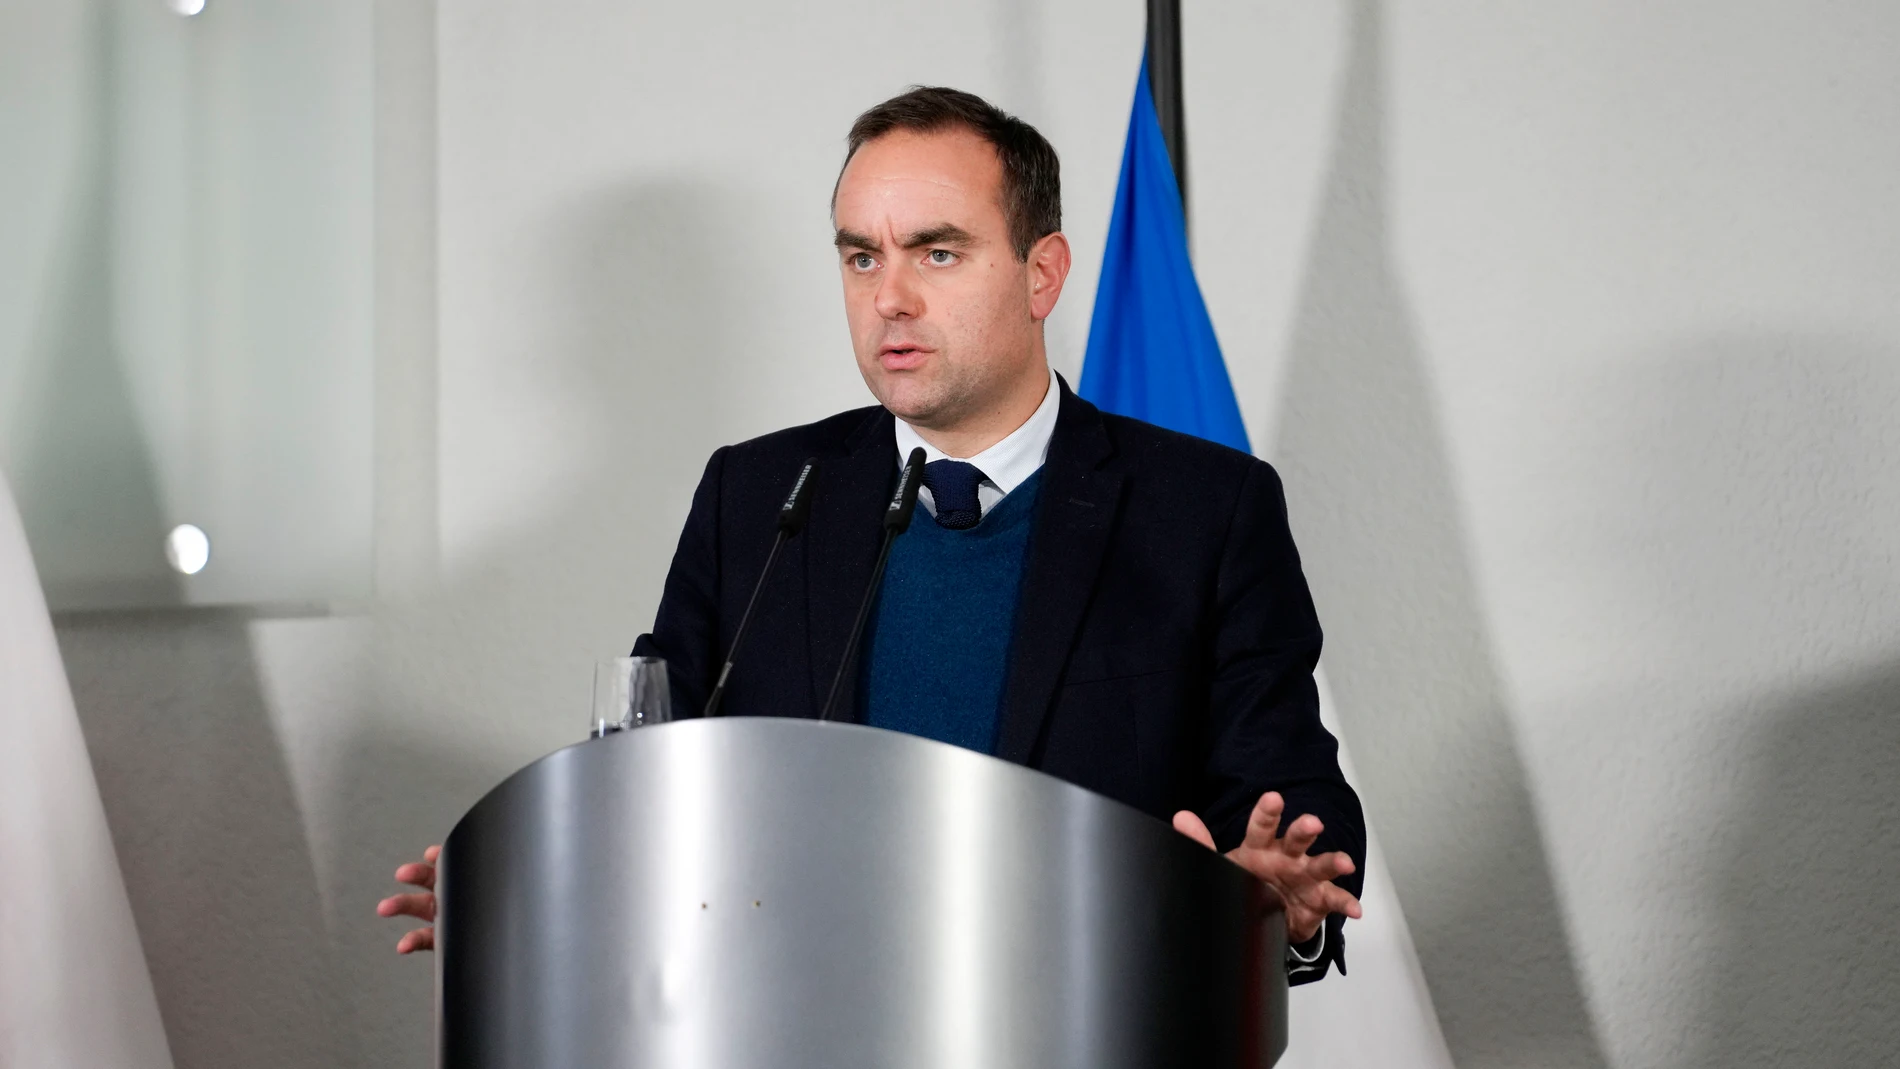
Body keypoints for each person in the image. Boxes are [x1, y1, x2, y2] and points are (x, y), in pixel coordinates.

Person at [380, 86, 1365, 982]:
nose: (888, 297)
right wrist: (530, 883)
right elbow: (649, 777)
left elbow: (1288, 798)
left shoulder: (1201, 508)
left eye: (936, 251)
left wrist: (1277, 892)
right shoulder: (762, 494)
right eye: (862, 256)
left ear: (1042, 274)